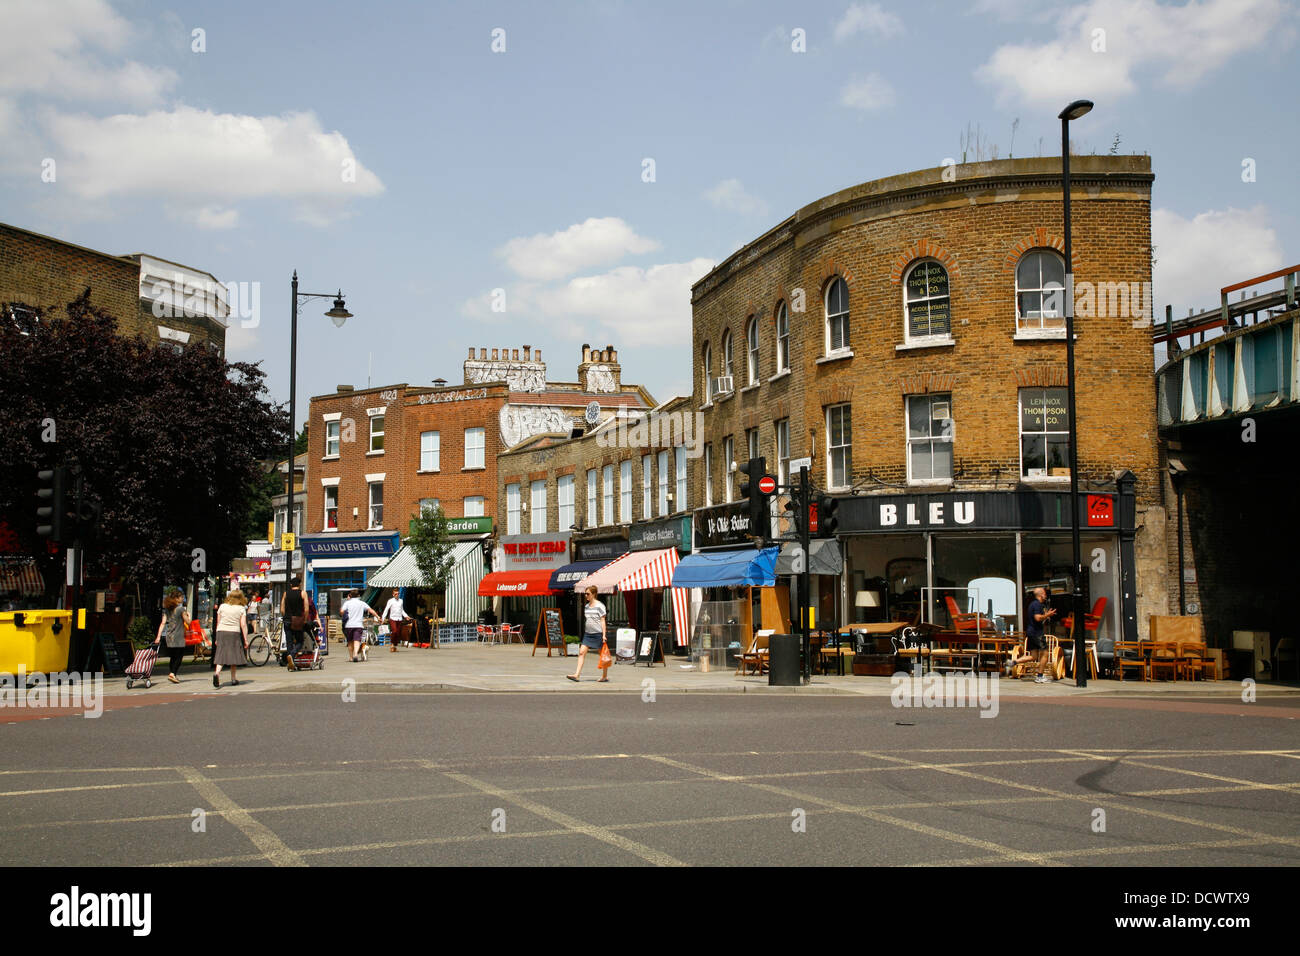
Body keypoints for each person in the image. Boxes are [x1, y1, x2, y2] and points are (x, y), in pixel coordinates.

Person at [567, 586, 609, 683]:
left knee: (602, 656)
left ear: (593, 594)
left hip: (598, 633)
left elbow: (603, 621)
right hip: (588, 634)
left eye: (588, 594)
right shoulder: (586, 606)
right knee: (581, 653)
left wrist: (604, 635)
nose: (586, 595)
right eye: (585, 593)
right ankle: (576, 675)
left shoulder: (600, 606)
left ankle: (604, 676)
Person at [213, 589, 250, 688]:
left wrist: (216, 637)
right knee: (233, 655)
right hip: (234, 632)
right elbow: (243, 624)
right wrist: (246, 639)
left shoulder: (222, 606)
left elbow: (218, 622)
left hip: (221, 631)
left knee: (221, 653)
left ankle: (217, 673)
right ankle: (233, 679)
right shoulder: (241, 609)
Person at [154, 587, 191, 684]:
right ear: (176, 598)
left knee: (173, 656)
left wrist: (158, 637)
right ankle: (173, 673)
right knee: (179, 656)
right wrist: (189, 616)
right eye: (181, 597)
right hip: (178, 636)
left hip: (169, 636)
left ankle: (172, 673)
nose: (182, 598)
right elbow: (188, 622)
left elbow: (162, 623)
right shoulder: (180, 609)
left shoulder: (167, 610)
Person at [1025, 587, 1058, 683]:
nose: (1046, 595)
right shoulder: (1037, 604)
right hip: (1037, 633)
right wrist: (1048, 615)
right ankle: (1040, 676)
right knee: (1045, 654)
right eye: (1044, 593)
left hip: (1031, 632)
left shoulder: (1033, 604)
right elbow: (1038, 618)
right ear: (1040, 595)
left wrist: (1046, 615)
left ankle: (1013, 662)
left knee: (1033, 656)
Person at [341, 589, 380, 662]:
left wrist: (345, 614)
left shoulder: (347, 603)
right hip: (358, 625)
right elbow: (371, 610)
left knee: (350, 641)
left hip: (349, 625)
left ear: (351, 596)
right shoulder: (362, 603)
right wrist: (378, 617)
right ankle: (356, 653)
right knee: (357, 640)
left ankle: (351, 657)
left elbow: (341, 611)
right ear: (358, 595)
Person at [281, 576, 307, 669]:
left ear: (291, 585)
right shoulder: (303, 593)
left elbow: (282, 609)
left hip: (287, 620)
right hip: (297, 620)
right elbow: (306, 608)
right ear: (299, 584)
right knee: (300, 641)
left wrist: (285, 616)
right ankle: (291, 655)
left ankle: (290, 662)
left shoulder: (285, 593)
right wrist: (305, 619)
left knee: (289, 642)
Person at [382, 588, 409, 652]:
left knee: (398, 633)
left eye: (398, 594)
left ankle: (395, 646)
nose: (397, 595)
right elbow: (386, 609)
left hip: (399, 618)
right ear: (393, 595)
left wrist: (406, 616)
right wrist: (383, 618)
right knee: (394, 631)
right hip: (392, 618)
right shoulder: (390, 601)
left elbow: (402, 610)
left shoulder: (401, 601)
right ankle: (392, 644)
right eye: (395, 594)